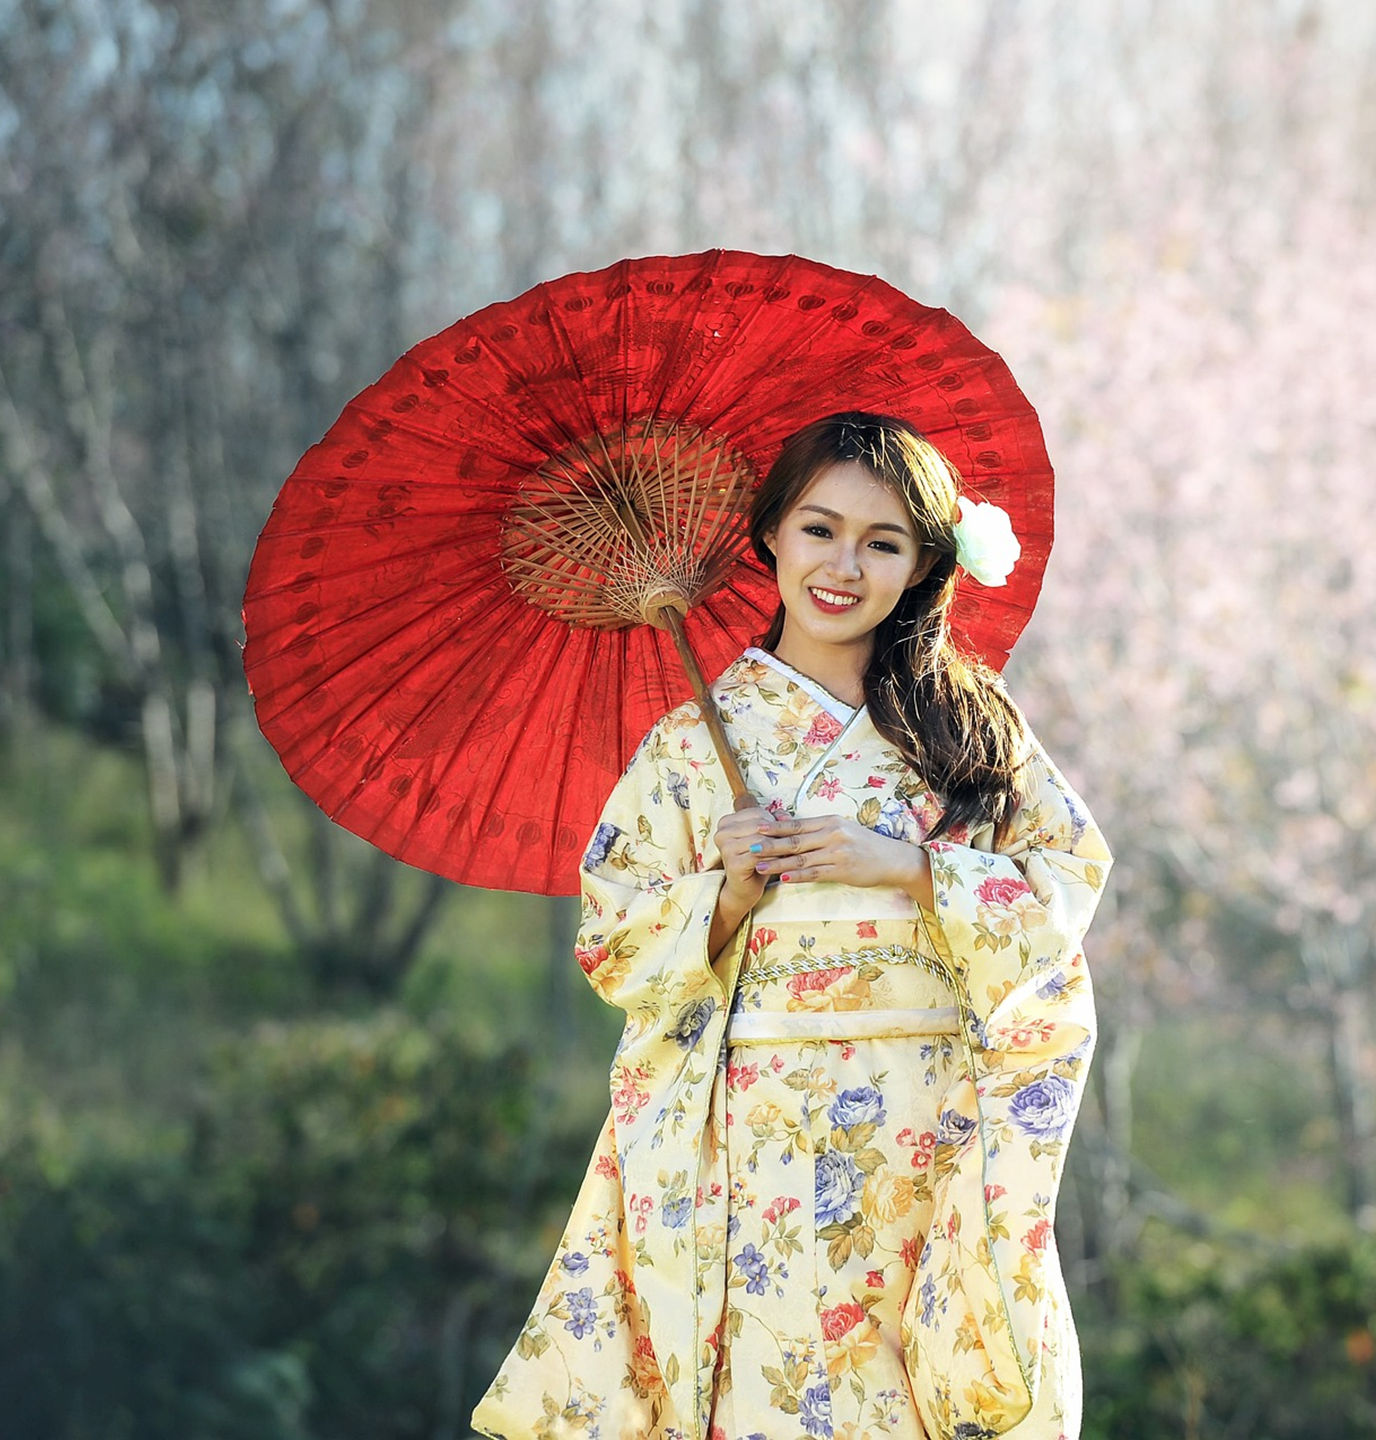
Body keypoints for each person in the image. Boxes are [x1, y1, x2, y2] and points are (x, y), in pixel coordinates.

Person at [472, 413, 1111, 1440]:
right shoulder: (692, 745)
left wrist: (908, 867)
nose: (843, 567)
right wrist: (724, 894)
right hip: (753, 1134)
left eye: (884, 542)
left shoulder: (969, 729)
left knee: (919, 1392)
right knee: (769, 1389)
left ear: (924, 566)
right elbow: (613, 940)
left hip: (929, 1128)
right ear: (769, 536)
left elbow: (1064, 883)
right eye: (819, 530)